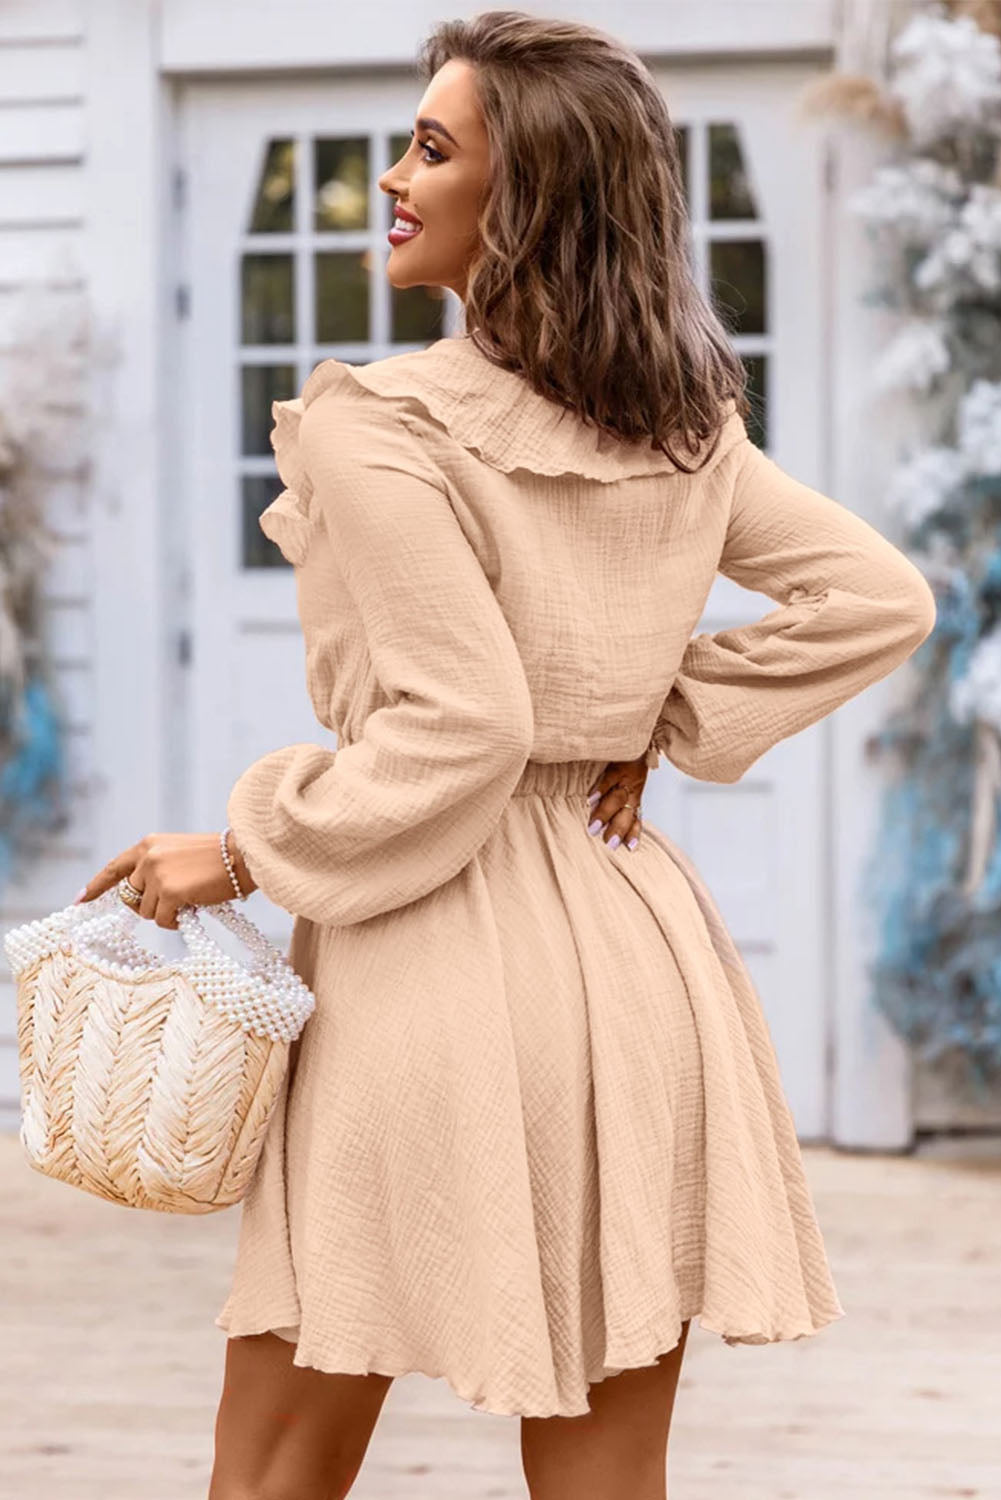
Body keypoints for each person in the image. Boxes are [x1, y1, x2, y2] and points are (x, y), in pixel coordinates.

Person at [76, 12, 936, 1500]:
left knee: (279, 1450)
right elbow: (878, 598)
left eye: (431, 147)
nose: (394, 177)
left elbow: (460, 723)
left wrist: (249, 849)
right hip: (629, 948)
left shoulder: (382, 423)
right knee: (605, 1473)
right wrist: (648, 713)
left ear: (521, 197)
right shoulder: (680, 430)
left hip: (429, 953)